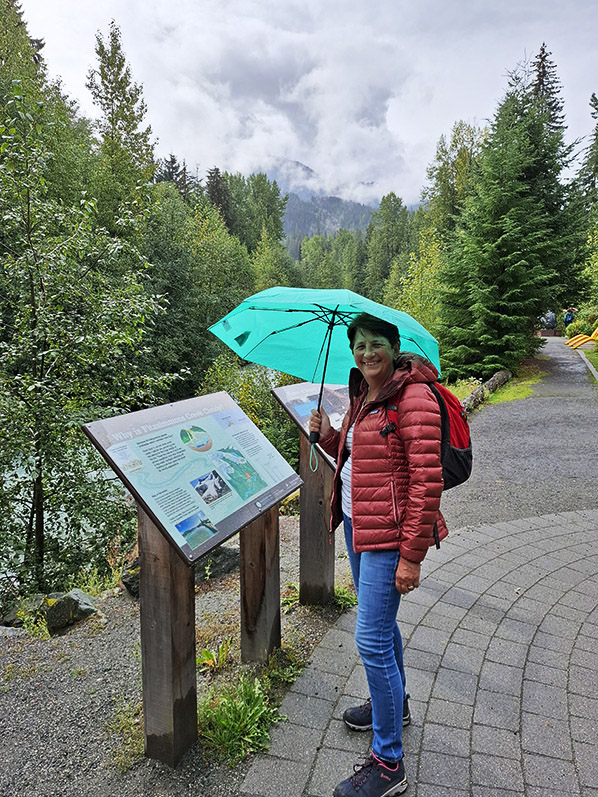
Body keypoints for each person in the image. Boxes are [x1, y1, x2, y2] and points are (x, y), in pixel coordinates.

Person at [309, 312, 448, 797]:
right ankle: (395, 704)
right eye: (359, 346)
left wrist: (411, 556)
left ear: (394, 346)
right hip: (358, 526)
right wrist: (328, 434)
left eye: (375, 344)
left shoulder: (412, 397)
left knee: (369, 639)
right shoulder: (366, 395)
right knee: (383, 630)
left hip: (389, 538)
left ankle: (389, 763)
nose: (366, 354)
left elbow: (427, 482)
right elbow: (360, 455)